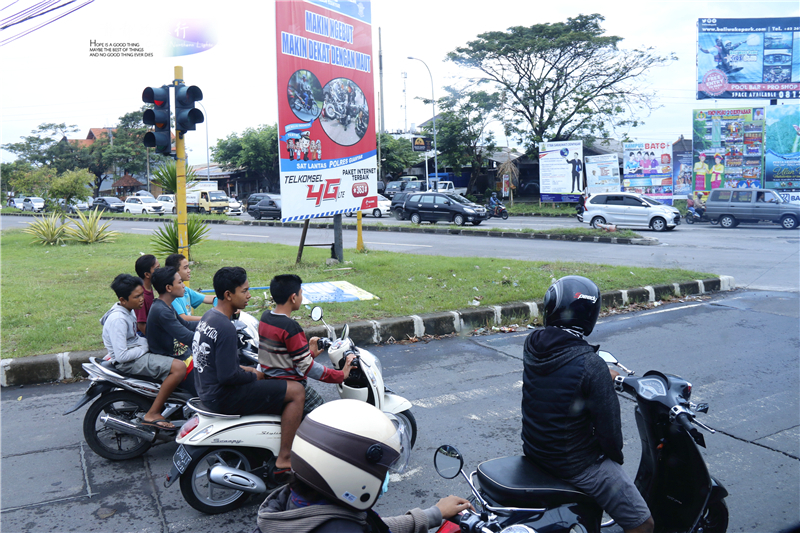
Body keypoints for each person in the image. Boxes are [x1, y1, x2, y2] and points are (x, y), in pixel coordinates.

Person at [521, 276, 654, 533]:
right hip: (575, 465)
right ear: (590, 314)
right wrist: (615, 460)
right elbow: (610, 434)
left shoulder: (533, 345)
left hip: (535, 450)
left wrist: (602, 372)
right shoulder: (590, 366)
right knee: (644, 523)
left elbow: (563, 368)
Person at [255, 399, 474, 533]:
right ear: (352, 476)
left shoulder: (294, 504)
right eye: (384, 470)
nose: (386, 476)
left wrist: (434, 514)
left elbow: (370, 526)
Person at [193, 266, 305, 475]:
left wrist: (251, 371)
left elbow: (220, 364)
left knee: (261, 376)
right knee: (296, 391)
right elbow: (229, 376)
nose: (249, 295)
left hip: (206, 390)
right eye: (244, 291)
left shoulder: (209, 317)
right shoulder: (226, 327)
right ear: (228, 295)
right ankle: (285, 457)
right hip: (222, 396)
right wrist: (253, 374)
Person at [258, 274, 356, 415]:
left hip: (270, 382)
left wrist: (309, 354)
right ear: (293, 298)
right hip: (291, 386)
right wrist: (341, 375)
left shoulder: (265, 317)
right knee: (323, 415)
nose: (301, 298)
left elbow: (281, 357)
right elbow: (309, 368)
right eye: (301, 294)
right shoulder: (290, 327)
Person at [101, 274, 187, 430]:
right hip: (128, 362)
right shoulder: (118, 320)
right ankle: (153, 413)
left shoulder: (129, 310)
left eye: (142, 294)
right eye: (137, 296)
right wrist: (145, 347)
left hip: (135, 354)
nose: (142, 299)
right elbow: (121, 356)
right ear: (122, 300)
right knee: (179, 368)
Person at [164, 253, 215, 322]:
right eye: (185, 268)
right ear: (175, 272)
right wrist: (209, 319)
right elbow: (183, 318)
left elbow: (206, 298)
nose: (189, 270)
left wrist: (229, 301)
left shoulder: (185, 290)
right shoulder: (173, 295)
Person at [134, 254, 159, 335]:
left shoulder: (149, 289)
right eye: (157, 268)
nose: (160, 271)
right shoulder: (141, 295)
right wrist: (155, 341)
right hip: (141, 333)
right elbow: (141, 325)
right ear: (147, 274)